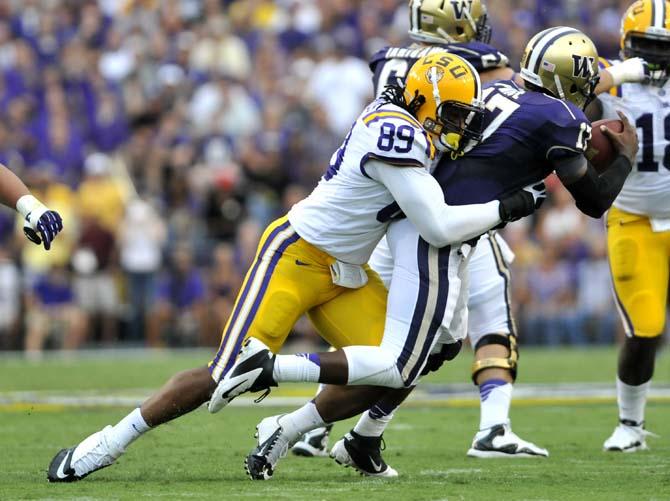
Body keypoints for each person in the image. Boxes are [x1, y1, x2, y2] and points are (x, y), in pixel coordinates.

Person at [46, 52, 538, 483]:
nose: (456, 124)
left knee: (399, 365)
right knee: (223, 371)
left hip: (346, 271)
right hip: (297, 255)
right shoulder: (395, 132)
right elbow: (435, 223)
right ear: (421, 99)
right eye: (451, 112)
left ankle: (287, 429)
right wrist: (511, 204)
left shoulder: (412, 127)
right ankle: (107, 443)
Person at [227, 27, 639, 480]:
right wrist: (624, 157)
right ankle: (274, 383)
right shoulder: (560, 117)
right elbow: (594, 201)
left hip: (437, 223)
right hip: (438, 231)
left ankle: (363, 436)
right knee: (397, 363)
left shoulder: (505, 89)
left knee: (442, 345)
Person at [593, 0, 670, 453]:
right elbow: (560, 86)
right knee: (644, 329)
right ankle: (630, 424)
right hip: (634, 217)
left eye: (666, 48)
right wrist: (625, 72)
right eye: (647, 47)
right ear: (627, 44)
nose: (658, 57)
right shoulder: (614, 80)